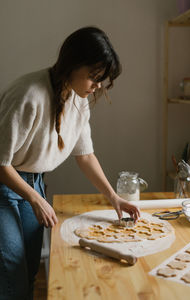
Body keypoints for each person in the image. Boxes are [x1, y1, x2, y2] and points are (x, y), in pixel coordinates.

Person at [0, 26, 140, 300]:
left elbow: (85, 155)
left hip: (33, 184)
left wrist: (113, 197)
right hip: (7, 186)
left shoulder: (79, 98)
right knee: (11, 277)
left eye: (102, 79)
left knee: (29, 272)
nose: (98, 85)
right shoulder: (28, 94)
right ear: (73, 64)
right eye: (94, 77)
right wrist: (35, 198)